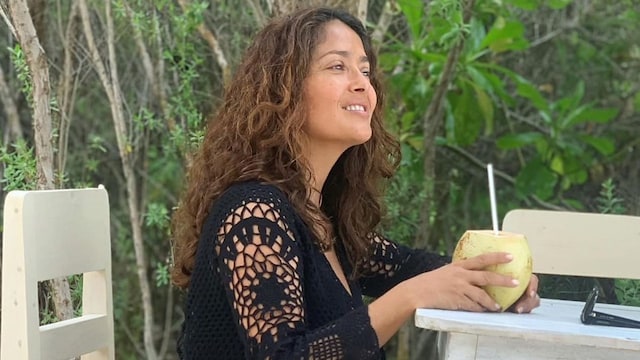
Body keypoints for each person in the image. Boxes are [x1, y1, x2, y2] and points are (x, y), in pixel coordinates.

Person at [170, 6, 540, 360]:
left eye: (365, 71)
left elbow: (408, 266)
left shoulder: (319, 216)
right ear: (285, 89)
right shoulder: (253, 214)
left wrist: (491, 282)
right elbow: (283, 355)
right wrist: (409, 297)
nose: (362, 84)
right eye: (337, 66)